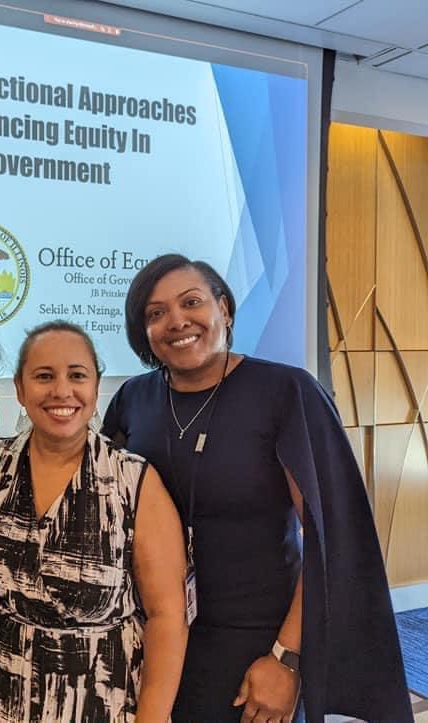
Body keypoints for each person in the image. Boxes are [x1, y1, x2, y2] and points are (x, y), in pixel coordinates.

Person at [100, 254, 411, 723]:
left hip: (255, 645)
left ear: (224, 310)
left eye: (191, 302)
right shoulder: (133, 399)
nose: (176, 321)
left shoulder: (285, 392)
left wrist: (286, 658)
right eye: (155, 313)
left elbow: (331, 535)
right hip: (155, 640)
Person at [0, 321, 188, 723]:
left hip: (99, 705)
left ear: (95, 385)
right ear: (19, 388)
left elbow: (168, 616)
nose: (61, 391)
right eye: (44, 376)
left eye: (77, 375)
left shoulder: (132, 480)